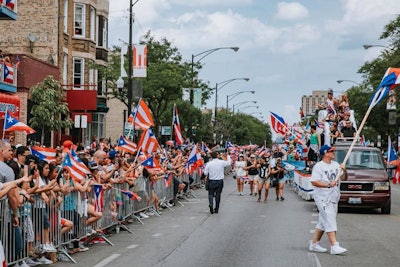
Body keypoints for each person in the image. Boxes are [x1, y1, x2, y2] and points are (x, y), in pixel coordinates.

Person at [309, 145, 348, 255]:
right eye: (331, 151)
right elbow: (314, 181)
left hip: (334, 197)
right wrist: (328, 185)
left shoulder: (336, 165)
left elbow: (344, 178)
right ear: (325, 153)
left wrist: (344, 171)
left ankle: (314, 244)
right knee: (330, 219)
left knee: (323, 222)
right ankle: (334, 245)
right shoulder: (319, 166)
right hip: (323, 198)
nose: (333, 153)